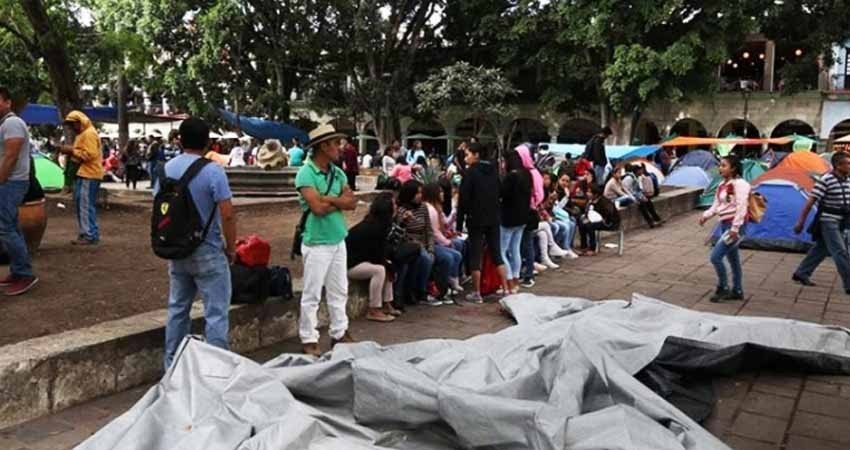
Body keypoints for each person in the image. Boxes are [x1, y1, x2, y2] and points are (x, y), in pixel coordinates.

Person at [160, 118, 237, 369]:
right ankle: (216, 369)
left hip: (177, 248)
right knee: (215, 312)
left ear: (179, 140)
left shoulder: (166, 168)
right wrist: (231, 247)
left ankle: (171, 365)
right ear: (208, 142)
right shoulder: (213, 171)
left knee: (178, 308)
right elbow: (227, 213)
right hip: (208, 248)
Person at [296, 124, 358, 356]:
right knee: (312, 293)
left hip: (337, 238)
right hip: (317, 241)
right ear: (323, 146)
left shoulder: (337, 172)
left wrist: (328, 198)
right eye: (335, 143)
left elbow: (351, 202)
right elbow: (317, 208)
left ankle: (339, 331)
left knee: (339, 290)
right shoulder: (306, 173)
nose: (339, 148)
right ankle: (309, 337)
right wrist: (337, 200)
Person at [792, 152, 850, 294]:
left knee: (822, 248)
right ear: (838, 165)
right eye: (847, 163)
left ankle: (802, 272)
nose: (849, 166)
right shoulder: (826, 180)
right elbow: (810, 201)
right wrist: (800, 222)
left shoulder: (848, 181)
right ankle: (849, 284)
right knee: (840, 251)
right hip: (828, 220)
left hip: (842, 220)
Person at [457, 143, 508, 303]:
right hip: (493, 217)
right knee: (497, 253)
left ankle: (477, 292)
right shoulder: (493, 171)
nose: (466, 158)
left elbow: (463, 200)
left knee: (475, 255)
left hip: (476, 218)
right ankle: (506, 289)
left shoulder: (470, 173)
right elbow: (501, 192)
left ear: (476, 155)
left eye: (468, 154)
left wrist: (459, 223)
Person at [0, 87, 39, 296]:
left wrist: (0, 180)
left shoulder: (12, 123)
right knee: (11, 226)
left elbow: (11, 156)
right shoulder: (6, 124)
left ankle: (24, 274)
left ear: (7, 102)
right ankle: (18, 271)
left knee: (5, 228)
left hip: (11, 182)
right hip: (11, 182)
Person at [699, 155, 751, 302]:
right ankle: (738, 290)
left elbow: (742, 207)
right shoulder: (722, 184)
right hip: (725, 224)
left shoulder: (740, 184)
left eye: (724, 165)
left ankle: (723, 287)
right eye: (720, 165)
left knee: (715, 257)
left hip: (735, 227)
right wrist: (706, 215)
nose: (720, 168)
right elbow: (717, 205)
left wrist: (735, 228)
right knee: (733, 260)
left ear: (733, 168)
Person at [346, 192, 400, 322]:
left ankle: (387, 303)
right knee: (380, 269)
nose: (396, 206)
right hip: (351, 265)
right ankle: (374, 309)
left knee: (386, 267)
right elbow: (376, 254)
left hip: (363, 260)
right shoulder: (375, 227)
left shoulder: (380, 224)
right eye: (394, 204)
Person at [57, 111, 103, 245]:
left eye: (72, 125)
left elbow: (89, 154)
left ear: (79, 122)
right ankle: (86, 233)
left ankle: (89, 235)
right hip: (85, 174)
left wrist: (71, 150)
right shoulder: (84, 133)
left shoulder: (88, 134)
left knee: (85, 205)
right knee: (82, 204)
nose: (72, 128)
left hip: (89, 174)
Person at [396, 180, 441, 306]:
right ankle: (421, 291)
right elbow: (401, 233)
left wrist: (430, 248)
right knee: (425, 259)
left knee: (441, 256)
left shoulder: (423, 207)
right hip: (411, 244)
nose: (420, 196)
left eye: (421, 193)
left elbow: (429, 230)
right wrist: (404, 221)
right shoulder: (401, 210)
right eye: (418, 193)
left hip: (425, 243)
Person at [423, 183, 464, 295]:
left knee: (459, 245)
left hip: (439, 238)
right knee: (451, 255)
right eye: (440, 192)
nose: (442, 194)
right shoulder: (430, 210)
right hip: (433, 243)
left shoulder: (437, 208)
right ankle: (444, 285)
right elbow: (434, 232)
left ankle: (455, 277)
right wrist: (447, 242)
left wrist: (451, 231)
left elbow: (445, 224)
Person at [500, 150, 532, 294]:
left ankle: (509, 281)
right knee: (515, 249)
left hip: (508, 218)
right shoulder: (526, 175)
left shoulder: (510, 177)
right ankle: (516, 281)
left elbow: (502, 195)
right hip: (523, 217)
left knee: (502, 251)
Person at [578, 184, 620, 255]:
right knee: (582, 224)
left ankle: (592, 248)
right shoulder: (590, 201)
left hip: (608, 223)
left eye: (590, 192)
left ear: (596, 194)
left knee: (589, 226)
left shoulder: (604, 202)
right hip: (595, 220)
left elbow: (609, 215)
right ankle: (584, 246)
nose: (587, 193)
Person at [622, 164, 663, 228]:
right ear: (637, 171)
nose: (642, 171)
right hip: (628, 196)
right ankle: (650, 222)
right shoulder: (629, 178)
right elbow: (625, 190)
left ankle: (657, 219)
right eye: (640, 170)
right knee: (642, 204)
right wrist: (635, 198)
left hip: (635, 195)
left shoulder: (637, 177)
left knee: (648, 202)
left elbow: (638, 189)